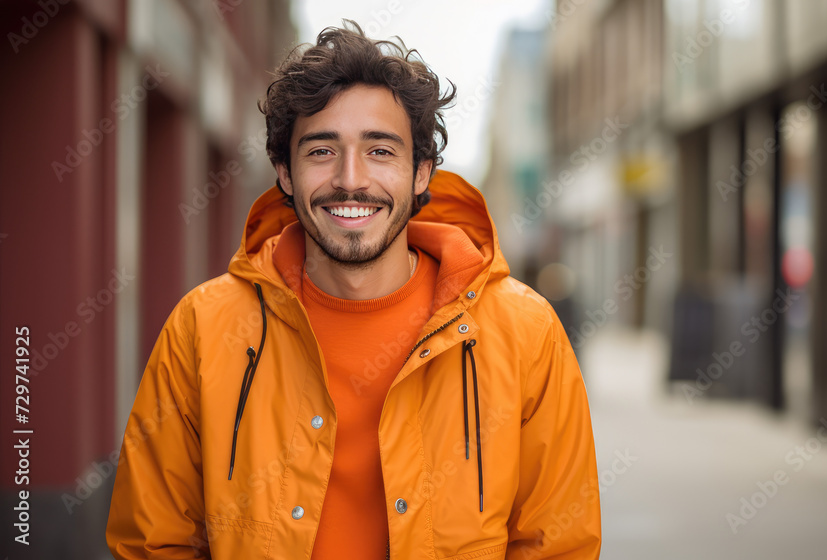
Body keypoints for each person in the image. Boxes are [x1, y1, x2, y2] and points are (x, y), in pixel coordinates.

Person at [106, 21, 601, 560]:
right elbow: (153, 542)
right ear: (285, 174)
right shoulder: (202, 328)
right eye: (321, 151)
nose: (350, 179)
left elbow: (558, 545)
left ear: (421, 175)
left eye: (381, 151)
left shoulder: (525, 333)